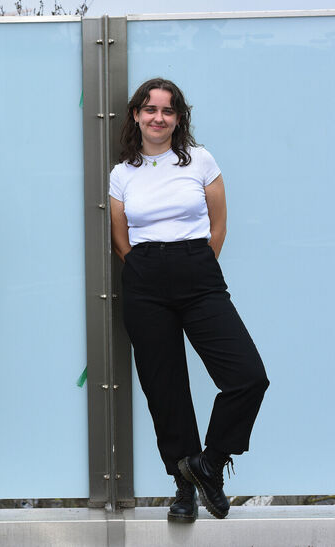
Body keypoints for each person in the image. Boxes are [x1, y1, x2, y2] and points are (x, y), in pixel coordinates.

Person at [109, 78, 269, 522]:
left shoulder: (200, 160)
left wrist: (194, 263)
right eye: (149, 109)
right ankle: (184, 487)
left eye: (167, 110)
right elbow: (120, 239)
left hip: (198, 274)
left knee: (247, 376)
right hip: (145, 282)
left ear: (179, 118)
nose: (158, 117)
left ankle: (210, 463)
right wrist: (148, 269)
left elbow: (218, 224)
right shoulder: (123, 173)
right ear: (137, 116)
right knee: (166, 392)